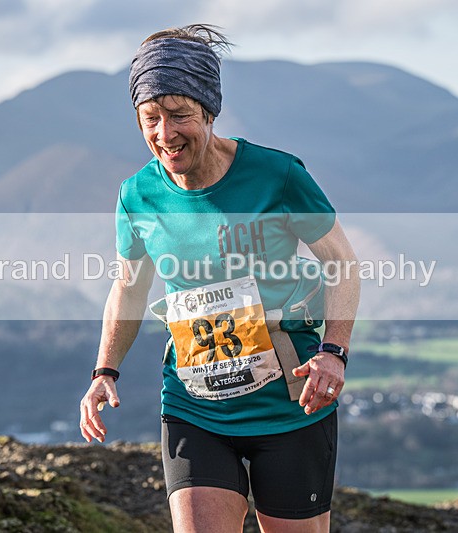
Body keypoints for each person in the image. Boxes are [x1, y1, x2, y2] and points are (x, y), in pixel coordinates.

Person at [79, 24, 360, 533]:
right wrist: (104, 372)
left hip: (290, 401)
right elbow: (128, 287)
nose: (165, 134)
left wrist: (333, 351)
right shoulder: (136, 195)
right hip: (193, 403)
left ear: (209, 111)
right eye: (150, 118)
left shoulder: (277, 176)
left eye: (179, 115)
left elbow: (341, 263)